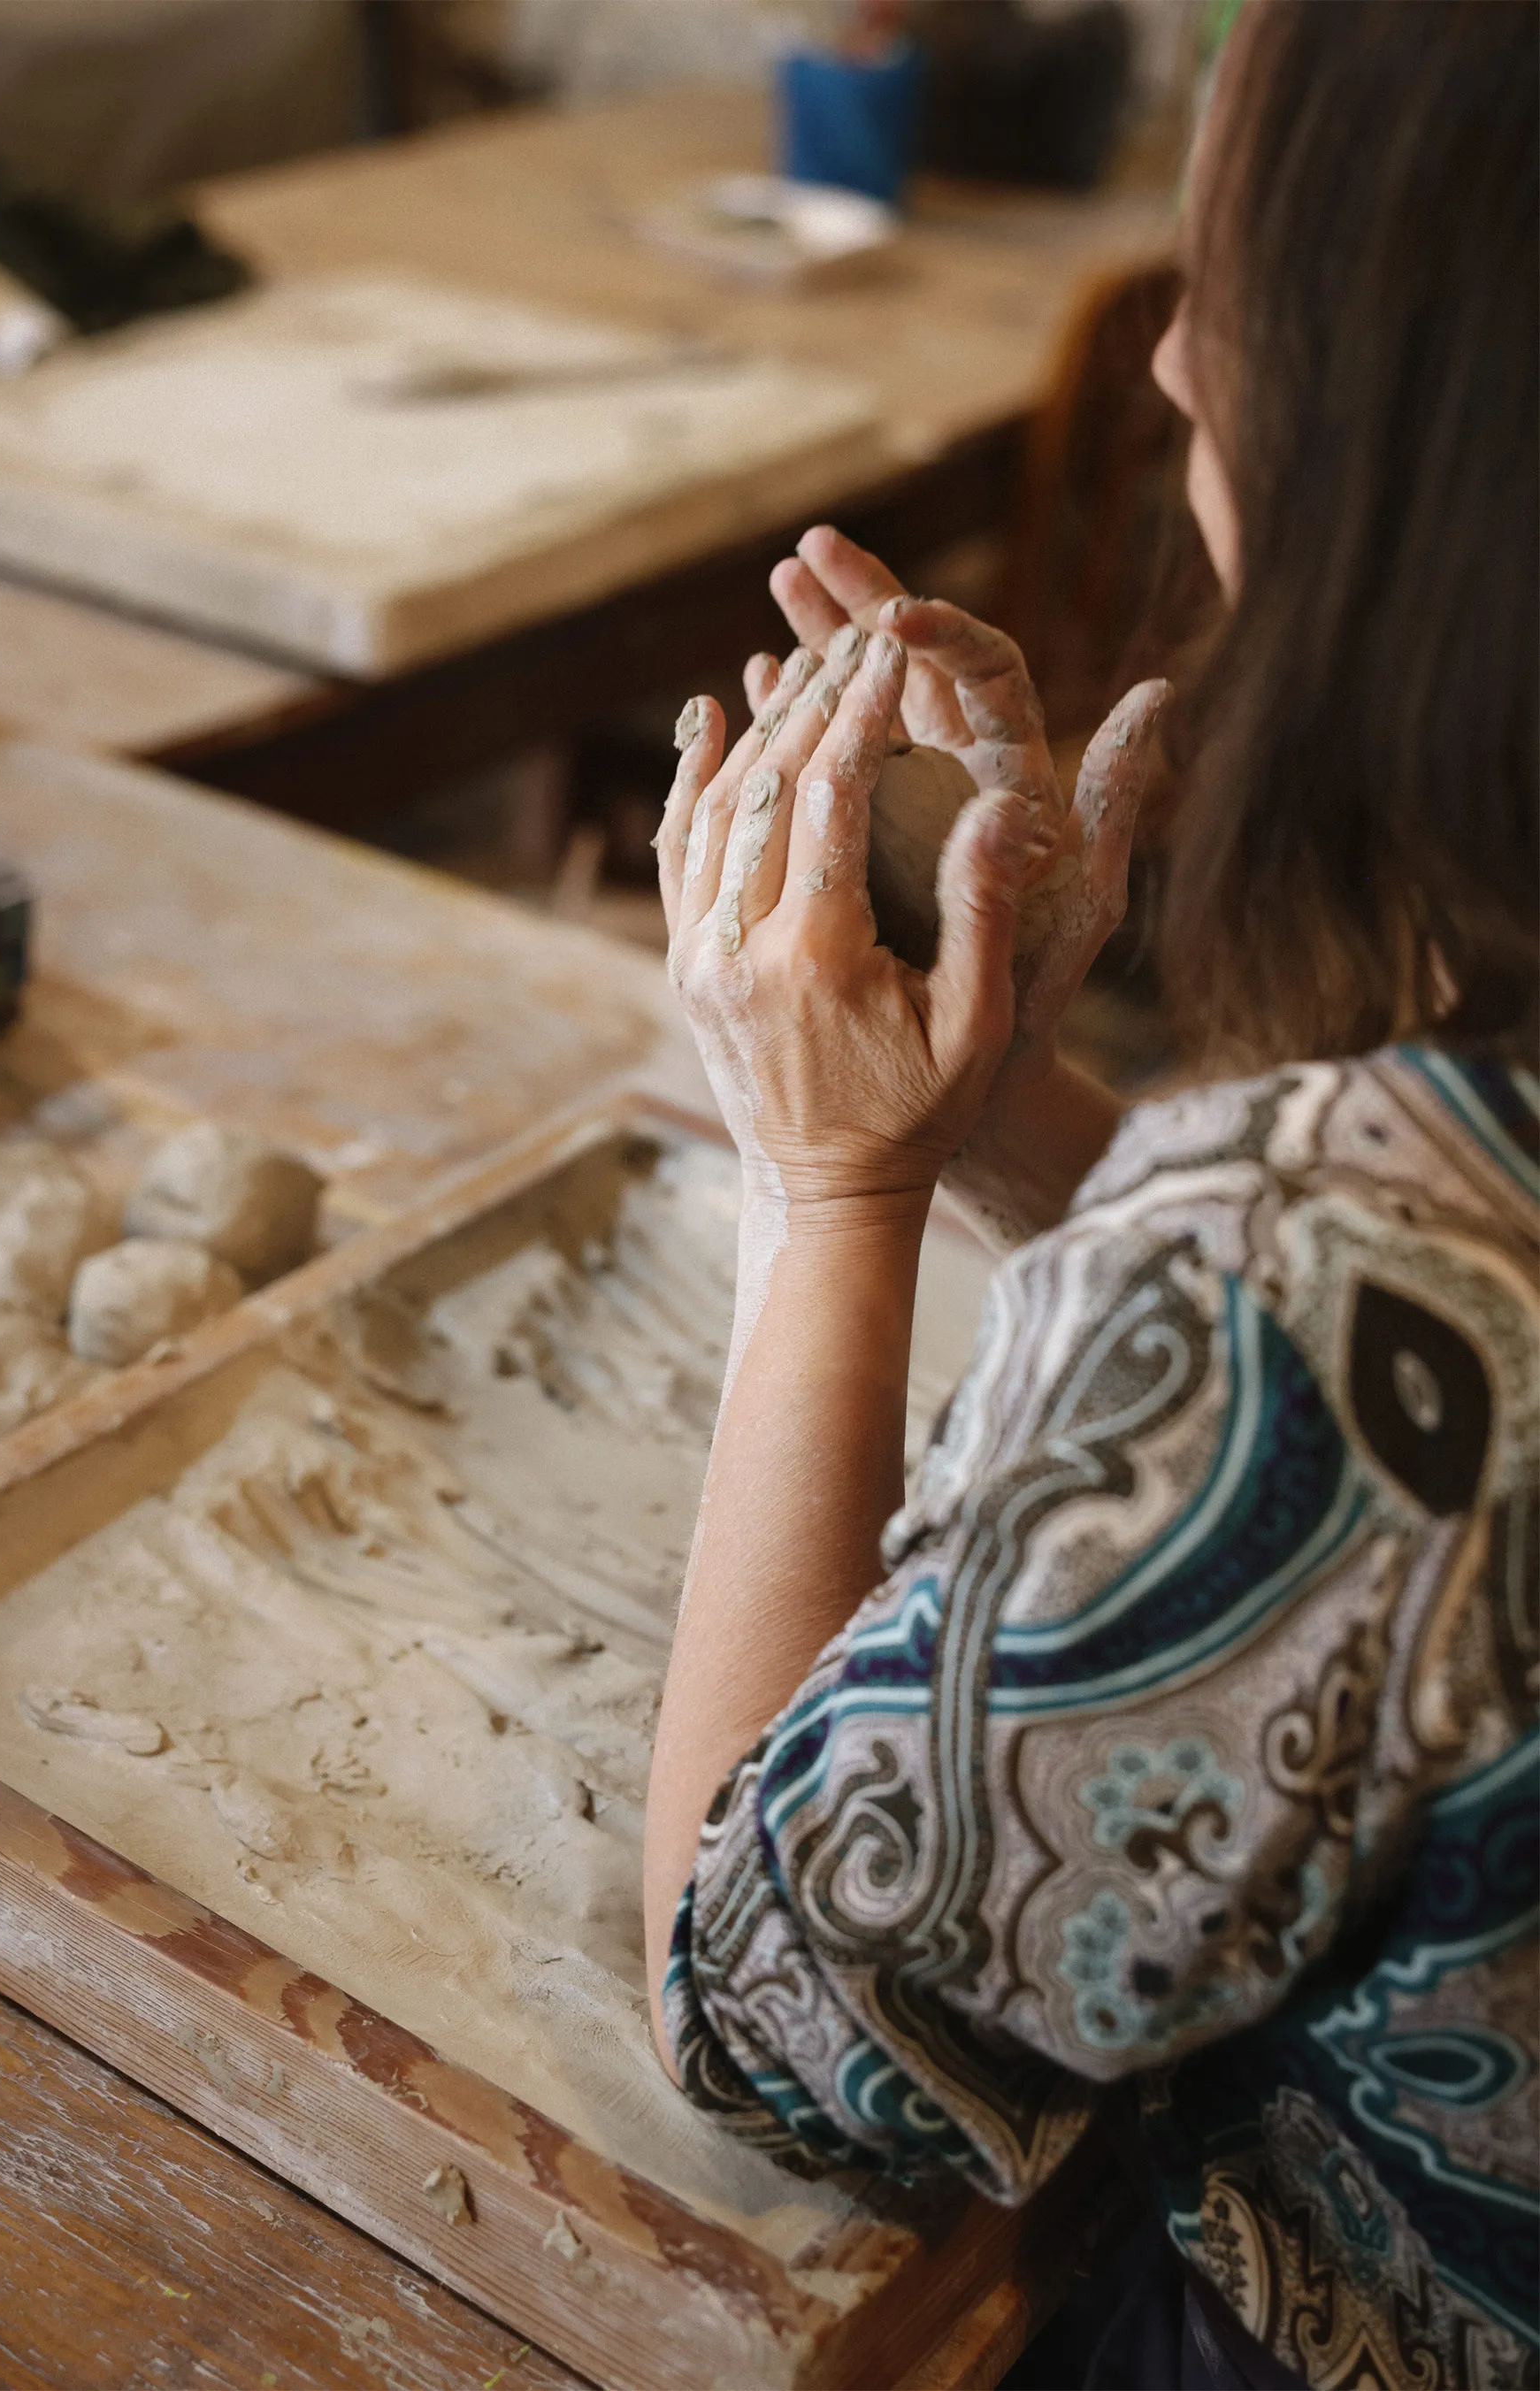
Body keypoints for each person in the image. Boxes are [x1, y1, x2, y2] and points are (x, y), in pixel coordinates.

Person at [640, 3, 1538, 2387]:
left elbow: (775, 2015)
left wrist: (824, 1189)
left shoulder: (1297, 1295)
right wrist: (1025, 1103)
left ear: (1415, 423)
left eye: (1224, 283)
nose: (1162, 367)